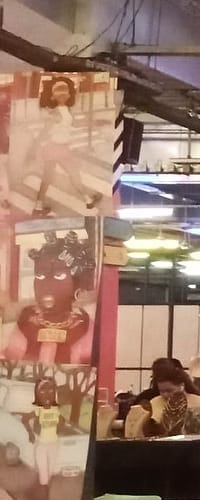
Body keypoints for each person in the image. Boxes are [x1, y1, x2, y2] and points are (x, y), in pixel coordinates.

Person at [4, 231, 96, 365]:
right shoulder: (27, 318)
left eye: (59, 276)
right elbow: (10, 361)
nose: (47, 285)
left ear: (76, 285)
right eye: (40, 276)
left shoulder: (83, 324)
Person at [27, 76, 101, 215]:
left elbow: (74, 124)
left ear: (68, 95)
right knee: (70, 174)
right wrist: (33, 148)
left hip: (59, 148)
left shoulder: (66, 110)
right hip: (55, 148)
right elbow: (45, 131)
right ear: (53, 97)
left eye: (65, 92)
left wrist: (93, 123)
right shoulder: (55, 113)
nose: (63, 95)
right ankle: (88, 200)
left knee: (51, 178)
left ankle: (38, 206)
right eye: (60, 93)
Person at [124, 359, 200, 438]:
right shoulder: (154, 402)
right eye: (162, 391)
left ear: (182, 386)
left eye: (169, 390)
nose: (165, 395)